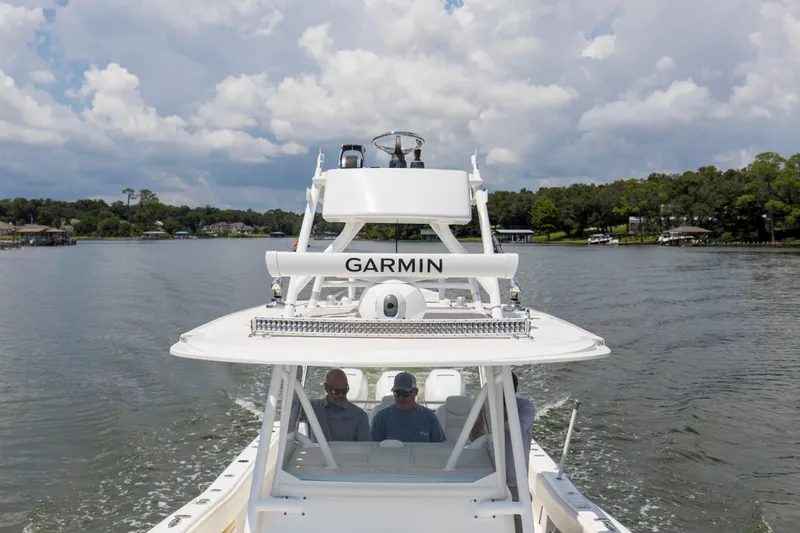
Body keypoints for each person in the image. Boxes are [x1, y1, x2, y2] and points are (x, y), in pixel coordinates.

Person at [470, 371, 535, 533]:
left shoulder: (525, 407)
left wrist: (500, 407)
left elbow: (515, 428)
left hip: (514, 481)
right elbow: (475, 436)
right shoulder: (487, 408)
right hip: (489, 478)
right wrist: (481, 413)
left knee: (519, 523)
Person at [290, 368, 371, 442]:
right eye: (335, 391)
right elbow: (290, 411)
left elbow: (365, 448)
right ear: (326, 388)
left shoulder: (360, 415)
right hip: (316, 453)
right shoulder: (310, 408)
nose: (340, 395)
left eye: (344, 390)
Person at [371, 371, 445, 443]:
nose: (401, 398)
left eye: (405, 393)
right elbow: (372, 447)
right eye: (397, 393)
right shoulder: (380, 418)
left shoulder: (430, 417)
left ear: (416, 392)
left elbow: (440, 447)